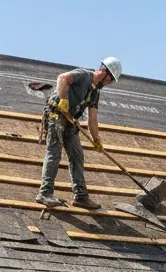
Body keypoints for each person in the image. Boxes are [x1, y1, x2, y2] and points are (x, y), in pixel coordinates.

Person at [37, 57, 122, 208]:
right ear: (104, 73)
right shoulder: (84, 75)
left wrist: (97, 140)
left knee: (77, 156)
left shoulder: (95, 93)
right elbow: (62, 78)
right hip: (56, 115)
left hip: (71, 121)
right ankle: (45, 193)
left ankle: (81, 196)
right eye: (110, 79)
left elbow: (92, 119)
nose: (109, 83)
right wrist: (63, 99)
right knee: (54, 153)